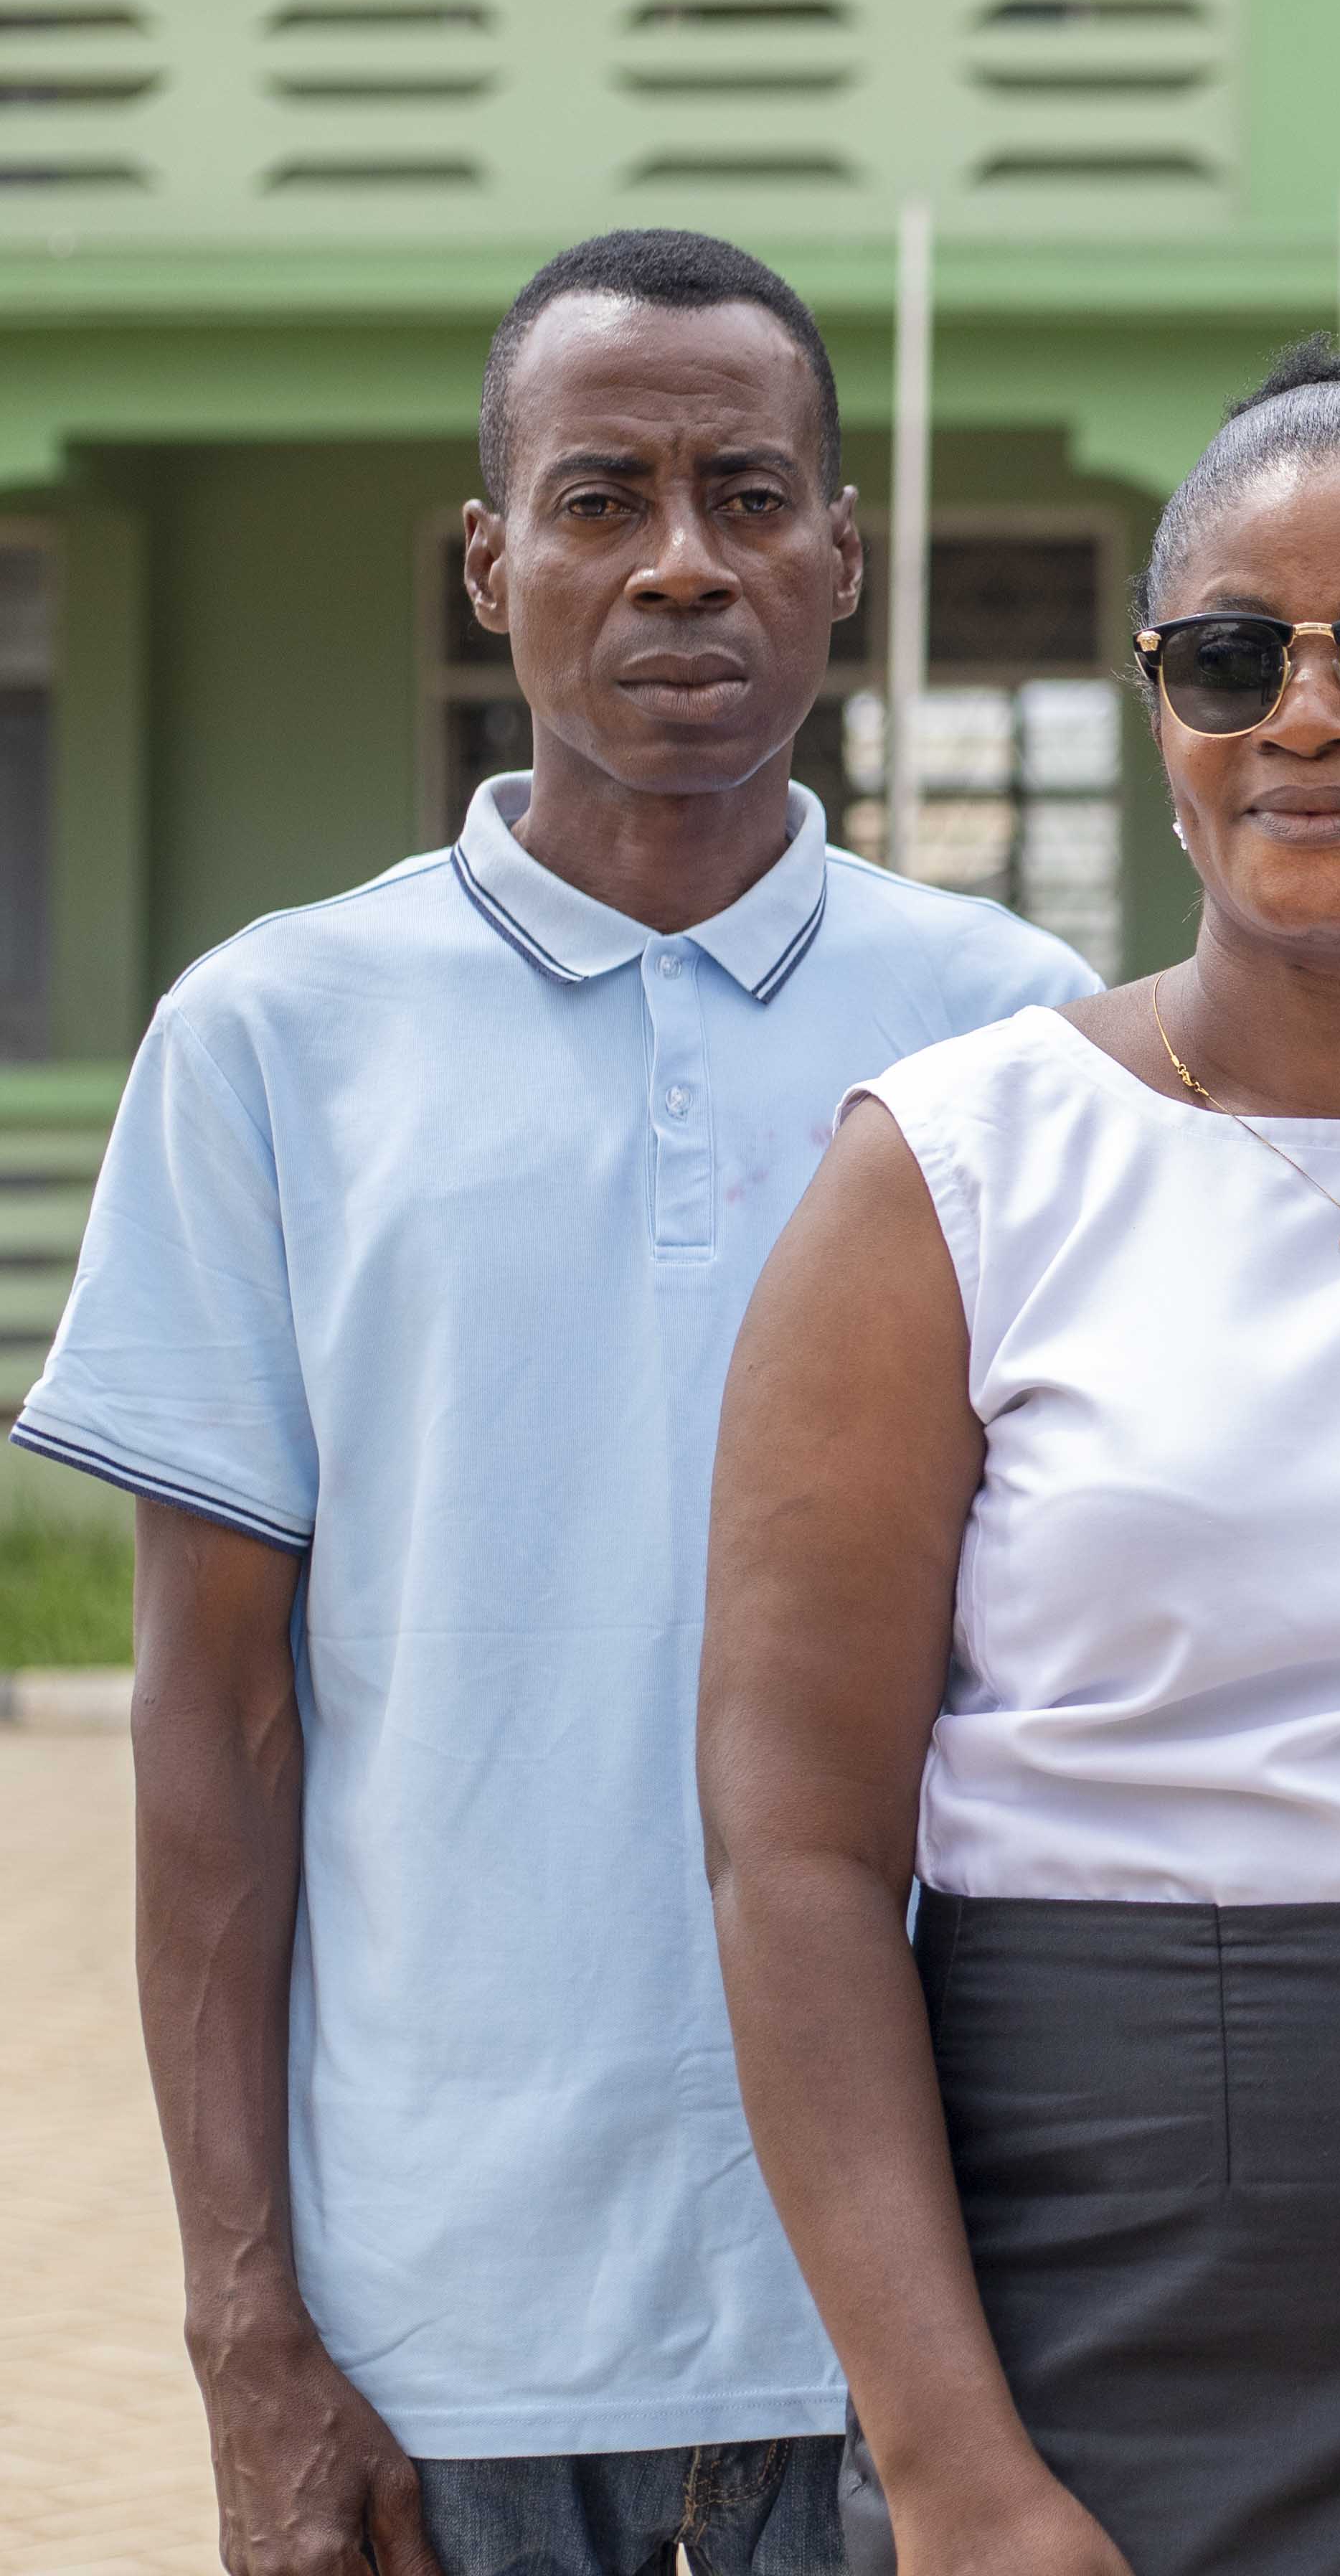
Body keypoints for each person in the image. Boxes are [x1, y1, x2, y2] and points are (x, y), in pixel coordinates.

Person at [6, 230, 1095, 2576]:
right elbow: (213, 1726)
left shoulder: (1021, 1031)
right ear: (492, 564)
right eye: (603, 499)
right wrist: (244, 2331)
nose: (681, 561)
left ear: (840, 559)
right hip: (436, 2337)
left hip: (912, 2338)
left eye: (747, 497)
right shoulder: (272, 1036)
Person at [699, 347, 1340, 2576]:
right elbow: (793, 1860)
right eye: (1229, 657)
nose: (1309, 715)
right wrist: (953, 2471)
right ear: (1166, 714)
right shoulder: (951, 1176)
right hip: (1108, 2315)